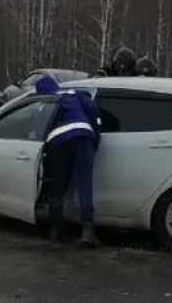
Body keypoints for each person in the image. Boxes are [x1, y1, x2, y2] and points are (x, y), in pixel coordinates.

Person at [36, 75, 101, 248]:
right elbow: (93, 114)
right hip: (83, 137)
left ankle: (56, 231)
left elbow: (38, 128)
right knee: (84, 184)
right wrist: (95, 141)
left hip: (58, 142)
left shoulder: (45, 102)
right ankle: (87, 232)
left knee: (57, 185)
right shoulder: (75, 94)